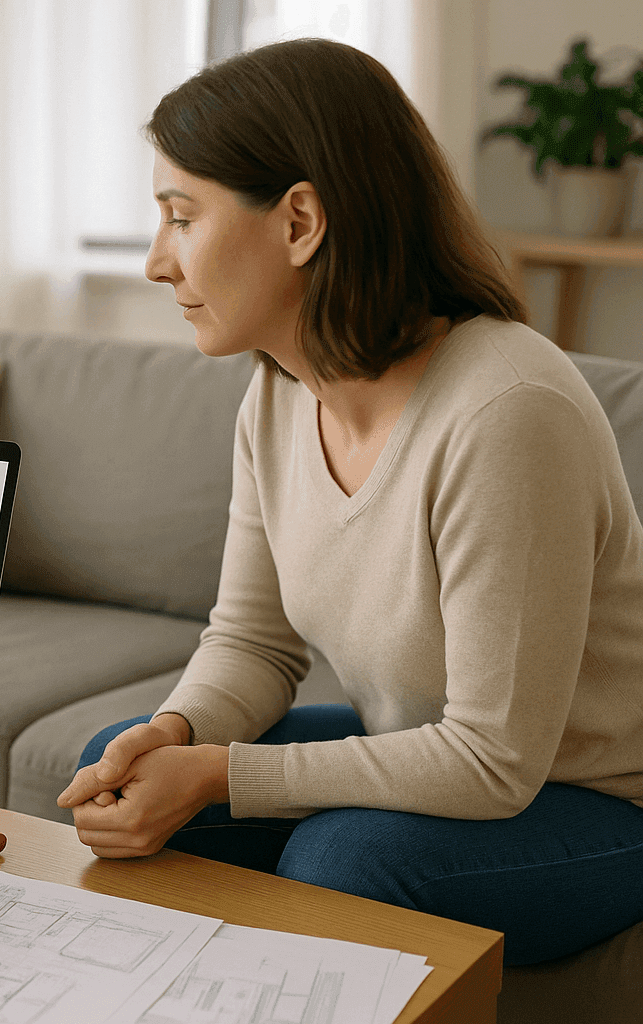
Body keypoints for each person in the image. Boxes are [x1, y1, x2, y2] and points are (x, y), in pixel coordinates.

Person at [57, 37, 643, 967]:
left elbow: (493, 759)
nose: (157, 263)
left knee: (347, 856)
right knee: (119, 754)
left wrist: (221, 774)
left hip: (595, 799)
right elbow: (252, 642)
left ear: (299, 222)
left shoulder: (505, 412)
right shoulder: (282, 391)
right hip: (437, 754)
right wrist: (175, 736)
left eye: (181, 217)